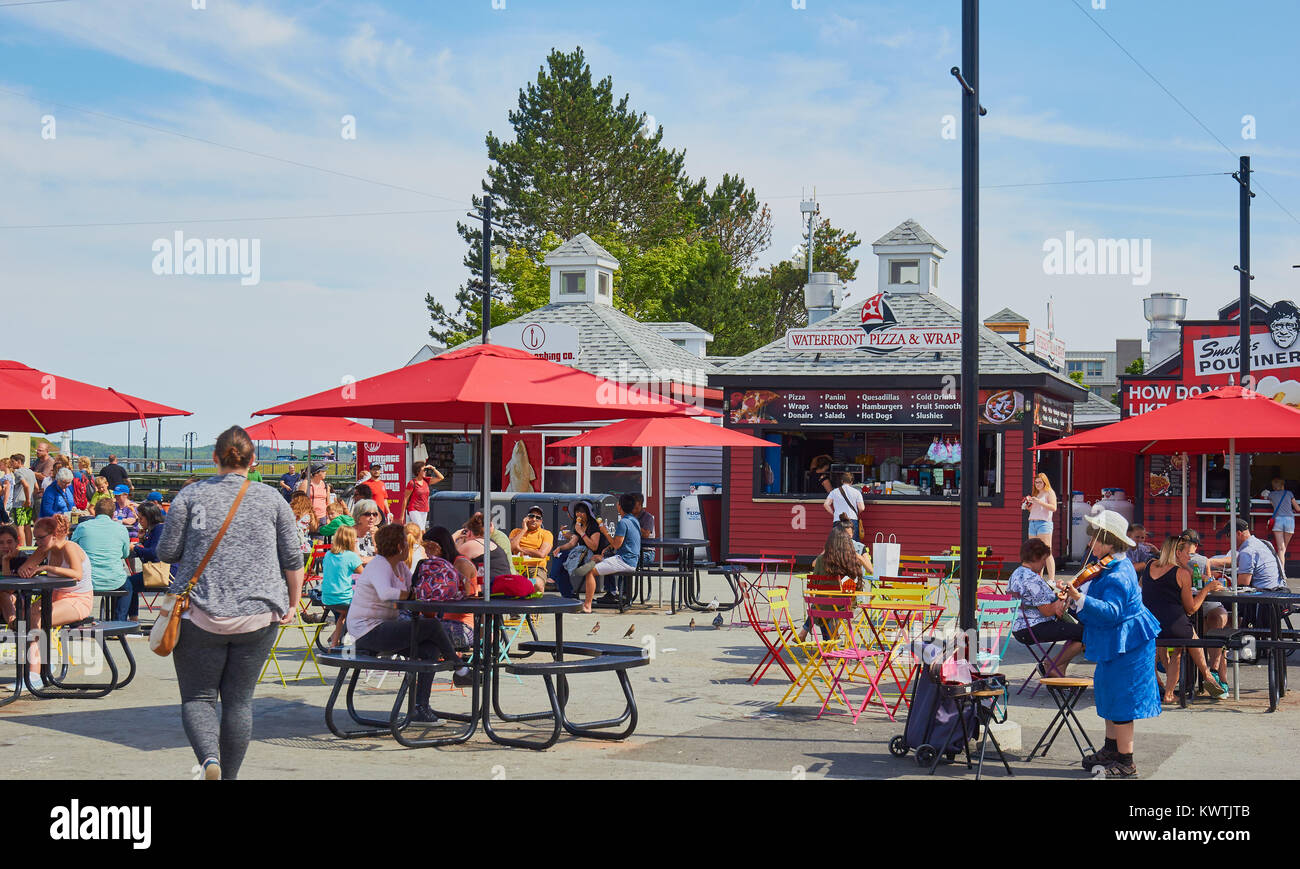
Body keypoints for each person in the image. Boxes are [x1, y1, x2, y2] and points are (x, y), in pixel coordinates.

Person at [156, 425, 305, 781]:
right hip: (258, 613)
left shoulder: (190, 497)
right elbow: (293, 558)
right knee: (239, 702)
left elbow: (166, 551)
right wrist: (294, 603)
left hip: (198, 612)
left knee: (198, 698)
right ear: (253, 462)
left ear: (214, 458)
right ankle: (229, 778)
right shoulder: (271, 499)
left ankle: (209, 760)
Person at [1059, 509, 1161, 778]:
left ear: (1110, 541)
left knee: (1123, 698)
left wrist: (1079, 599)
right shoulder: (1107, 565)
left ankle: (1126, 761)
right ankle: (1111, 749)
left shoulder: (1118, 573)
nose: (1091, 543)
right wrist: (1076, 597)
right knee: (1108, 692)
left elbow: (1111, 611)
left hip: (1130, 643)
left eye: (1095, 538)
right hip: (1116, 640)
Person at [347, 523, 469, 723]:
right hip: (367, 632)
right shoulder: (380, 564)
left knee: (430, 650)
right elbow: (387, 593)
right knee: (432, 627)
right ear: (398, 546)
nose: (409, 546)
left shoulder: (400, 566)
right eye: (406, 543)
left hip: (383, 627)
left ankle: (420, 708)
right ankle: (459, 667)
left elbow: (416, 587)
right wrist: (414, 593)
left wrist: (436, 573)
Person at [1139, 534, 1228, 703]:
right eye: (1187, 553)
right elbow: (1192, 608)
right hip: (1173, 627)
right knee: (1183, 644)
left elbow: (1143, 588)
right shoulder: (1181, 573)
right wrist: (1207, 588)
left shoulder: (1149, 566)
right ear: (1177, 553)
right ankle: (1192, 683)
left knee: (1179, 637)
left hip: (1149, 626)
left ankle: (1201, 678)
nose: (1189, 557)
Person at [14, 514, 94, 685]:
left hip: (78, 599)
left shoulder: (69, 547)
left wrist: (46, 567)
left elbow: (77, 574)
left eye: (41, 538)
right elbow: (25, 568)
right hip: (55, 596)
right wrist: (25, 569)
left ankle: (34, 675)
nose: (38, 542)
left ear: (54, 534)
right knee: (26, 615)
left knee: (35, 620)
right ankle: (43, 665)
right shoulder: (45, 547)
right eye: (36, 538)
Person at [1009, 537, 1086, 676]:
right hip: (1032, 628)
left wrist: (1057, 594)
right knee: (1085, 634)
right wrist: (1062, 597)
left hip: (1018, 627)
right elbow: (1048, 611)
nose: (1044, 563)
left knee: (1074, 630)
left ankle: (1058, 669)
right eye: (1044, 559)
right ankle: (1050, 665)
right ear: (1036, 558)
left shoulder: (1016, 573)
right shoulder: (1033, 579)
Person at [1208, 518, 1288, 628]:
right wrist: (1212, 562)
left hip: (1263, 602)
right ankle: (1238, 630)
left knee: (1217, 603)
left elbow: (1242, 584)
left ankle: (1226, 636)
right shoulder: (1265, 543)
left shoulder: (1247, 551)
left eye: (1228, 536)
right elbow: (1236, 562)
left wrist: (1220, 584)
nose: (1228, 540)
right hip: (1279, 594)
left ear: (1239, 534)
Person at [571, 494, 642, 614]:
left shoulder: (623, 523)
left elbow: (616, 545)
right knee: (598, 559)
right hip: (631, 558)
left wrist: (605, 531)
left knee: (590, 572)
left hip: (625, 560)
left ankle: (587, 605)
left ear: (620, 507)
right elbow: (624, 541)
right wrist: (608, 547)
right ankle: (607, 590)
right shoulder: (634, 520)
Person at [414, 525, 480, 651]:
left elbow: (462, 599)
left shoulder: (461, 564)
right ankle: (459, 668)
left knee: (419, 635)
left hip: (463, 626)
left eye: (429, 547)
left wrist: (436, 562)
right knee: (415, 633)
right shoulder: (441, 565)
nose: (426, 552)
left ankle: (459, 667)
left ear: (439, 546)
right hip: (442, 622)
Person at [71, 497, 132, 619]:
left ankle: (76, 617)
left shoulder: (83, 527)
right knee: (129, 586)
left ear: (95, 511)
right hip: (114, 579)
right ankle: (119, 622)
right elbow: (125, 554)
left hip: (88, 579)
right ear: (113, 513)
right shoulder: (121, 529)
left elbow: (73, 550)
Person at [548, 501, 609, 600]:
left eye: (582, 512)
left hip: (594, 556)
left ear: (588, 513)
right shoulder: (578, 525)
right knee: (560, 558)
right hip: (582, 555)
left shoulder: (593, 526)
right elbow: (572, 543)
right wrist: (560, 547)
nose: (579, 514)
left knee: (562, 559)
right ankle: (567, 595)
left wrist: (581, 532)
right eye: (577, 512)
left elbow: (594, 546)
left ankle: (552, 579)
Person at [124, 500, 168, 622]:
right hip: (158, 570)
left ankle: (130, 618)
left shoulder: (159, 529)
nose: (139, 521)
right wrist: (142, 539)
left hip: (164, 573)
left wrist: (136, 548)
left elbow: (154, 553)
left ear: (149, 517)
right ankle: (133, 617)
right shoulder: (155, 529)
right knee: (130, 582)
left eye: (141, 518)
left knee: (127, 583)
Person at [320, 525, 362, 648]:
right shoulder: (351, 556)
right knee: (363, 609)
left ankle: (334, 642)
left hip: (327, 598)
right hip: (343, 599)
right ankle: (355, 643)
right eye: (354, 538)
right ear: (349, 540)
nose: (356, 540)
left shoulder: (328, 554)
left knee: (343, 615)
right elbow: (365, 575)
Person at [1022, 472, 1058, 583]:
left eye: (1039, 482)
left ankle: (1051, 579)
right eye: (1036, 482)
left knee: (1047, 551)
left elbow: (1053, 508)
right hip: (1033, 522)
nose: (1037, 484)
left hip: (1044, 523)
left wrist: (1040, 502)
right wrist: (1028, 505)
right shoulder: (1035, 493)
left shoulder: (1049, 492)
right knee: (1035, 552)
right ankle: (1038, 578)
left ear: (1044, 482)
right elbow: (1033, 510)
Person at [1260, 478, 1299, 571]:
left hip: (1278, 520)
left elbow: (1263, 497)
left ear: (1273, 487)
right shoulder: (1289, 493)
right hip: (1289, 520)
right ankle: (1281, 570)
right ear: (1283, 485)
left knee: (1281, 549)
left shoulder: (1272, 495)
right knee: (1283, 548)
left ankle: (1281, 571)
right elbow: (1297, 508)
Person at [823, 471, 865, 541]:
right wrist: (856, 513)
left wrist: (834, 513)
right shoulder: (857, 492)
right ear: (851, 481)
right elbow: (862, 508)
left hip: (838, 519)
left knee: (838, 544)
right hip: (852, 519)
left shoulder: (834, 492)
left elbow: (826, 504)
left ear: (842, 481)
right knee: (853, 544)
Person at [401, 462, 441, 528]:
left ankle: (412, 538)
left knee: (421, 530)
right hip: (414, 509)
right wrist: (402, 516)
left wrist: (433, 468)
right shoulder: (412, 483)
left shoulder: (426, 480)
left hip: (424, 509)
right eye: (424, 470)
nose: (426, 471)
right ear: (418, 471)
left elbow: (440, 478)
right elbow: (405, 499)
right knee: (421, 529)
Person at [9, 454, 36, 546]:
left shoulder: (18, 472)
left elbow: (26, 485)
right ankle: (28, 548)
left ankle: (21, 548)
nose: (11, 464)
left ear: (19, 462)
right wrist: (30, 498)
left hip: (20, 502)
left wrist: (27, 499)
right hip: (29, 503)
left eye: (13, 462)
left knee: (20, 527)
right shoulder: (31, 472)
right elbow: (36, 487)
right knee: (27, 526)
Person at [288, 492, 319, 558]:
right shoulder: (310, 514)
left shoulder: (290, 512)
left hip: (292, 547)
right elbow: (314, 528)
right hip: (306, 547)